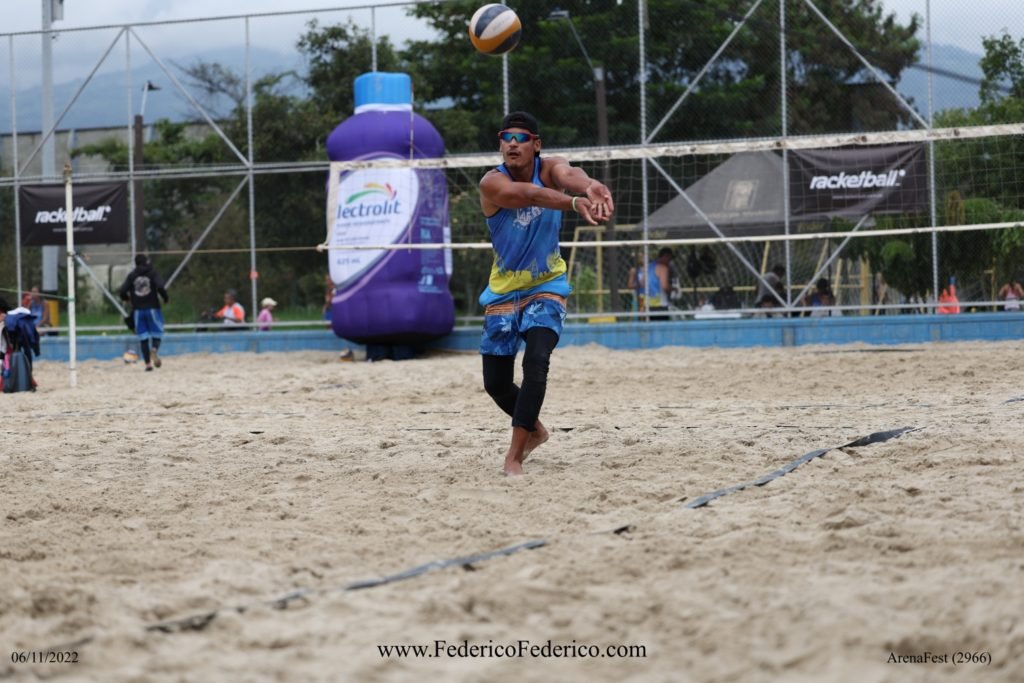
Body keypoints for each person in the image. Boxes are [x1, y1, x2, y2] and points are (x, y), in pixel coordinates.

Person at [477, 110, 614, 475]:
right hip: (504, 292)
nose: (512, 144)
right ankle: (535, 431)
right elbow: (531, 195)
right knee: (496, 384)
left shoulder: (551, 167)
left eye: (521, 138)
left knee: (536, 361)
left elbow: (570, 174)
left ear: (536, 145)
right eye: (506, 137)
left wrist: (589, 186)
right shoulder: (492, 182)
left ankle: (514, 455)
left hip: (547, 285)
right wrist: (573, 202)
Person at [118, 254, 169, 372]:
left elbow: (122, 290)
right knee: (157, 333)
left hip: (138, 311)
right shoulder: (153, 273)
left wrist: (126, 298)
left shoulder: (132, 275)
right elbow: (160, 286)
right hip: (152, 308)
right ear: (146, 262)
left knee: (143, 338)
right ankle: (154, 350)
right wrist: (165, 298)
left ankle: (148, 365)